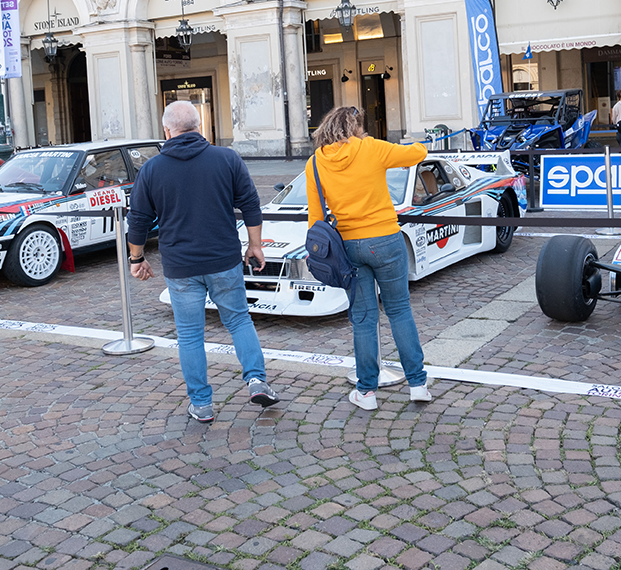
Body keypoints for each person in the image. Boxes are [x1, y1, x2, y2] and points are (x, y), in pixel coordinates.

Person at [127, 101, 279, 424]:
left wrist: (136, 258)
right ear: (199, 126)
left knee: (190, 335)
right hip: (223, 259)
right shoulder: (226, 159)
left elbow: (138, 220)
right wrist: (255, 245)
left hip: (181, 266)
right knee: (239, 321)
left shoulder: (152, 169)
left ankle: (202, 404)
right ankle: (256, 380)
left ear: (167, 130)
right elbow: (251, 204)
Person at [307, 105, 431, 411]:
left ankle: (366, 392)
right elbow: (418, 153)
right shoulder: (371, 148)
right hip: (386, 239)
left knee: (363, 318)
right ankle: (417, 384)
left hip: (348, 245)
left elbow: (315, 216)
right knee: (399, 310)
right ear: (355, 129)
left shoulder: (315, 164)